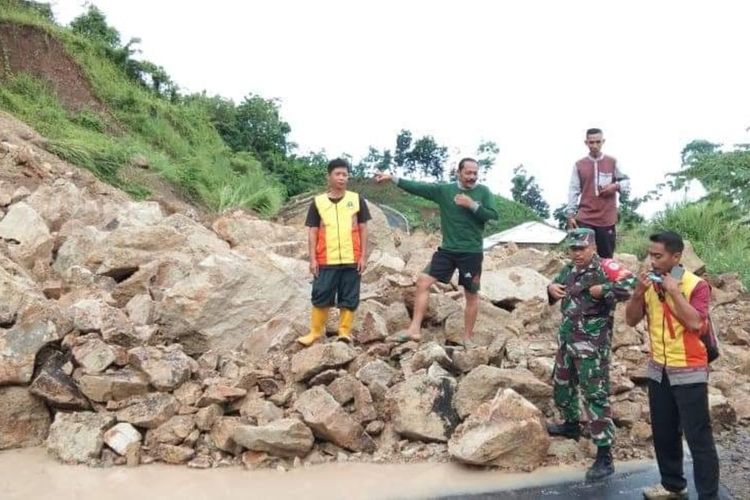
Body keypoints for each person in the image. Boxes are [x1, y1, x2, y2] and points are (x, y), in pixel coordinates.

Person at [625, 231, 719, 500]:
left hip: (689, 370)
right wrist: (637, 294)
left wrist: (675, 292)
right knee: (664, 432)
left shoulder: (695, 285)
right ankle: (672, 486)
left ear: (676, 257)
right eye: (650, 255)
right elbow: (631, 321)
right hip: (658, 369)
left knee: (698, 438)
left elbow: (695, 323)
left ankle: (709, 496)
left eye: (658, 256)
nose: (651, 261)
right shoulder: (649, 284)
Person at [374, 158, 498, 343]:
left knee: (471, 295)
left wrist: (471, 205)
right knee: (423, 282)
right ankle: (414, 329)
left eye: (475, 173)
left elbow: (493, 216)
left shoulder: (483, 192)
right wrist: (392, 178)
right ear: (459, 172)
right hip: (447, 250)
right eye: (468, 173)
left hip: (471, 252)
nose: (472, 177)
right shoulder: (444, 191)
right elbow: (418, 188)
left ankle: (467, 338)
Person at [546, 228, 635, 482]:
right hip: (567, 340)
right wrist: (551, 289)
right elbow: (554, 285)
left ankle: (604, 455)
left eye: (581, 248)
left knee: (595, 395)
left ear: (593, 247)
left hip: (592, 347)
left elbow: (632, 284)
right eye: (573, 248)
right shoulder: (568, 269)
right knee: (562, 385)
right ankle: (571, 424)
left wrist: (604, 290)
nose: (576, 253)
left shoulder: (606, 267)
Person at [297, 158, 371, 346]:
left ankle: (344, 332)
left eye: (345, 174)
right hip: (325, 258)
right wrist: (312, 259)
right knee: (320, 293)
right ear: (329, 176)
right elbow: (313, 231)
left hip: (351, 257)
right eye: (338, 174)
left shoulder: (356, 200)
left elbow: (363, 228)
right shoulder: (318, 202)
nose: (342, 178)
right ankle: (315, 333)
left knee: (349, 296)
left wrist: (363, 256)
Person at [565, 128, 630, 259]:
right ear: (586, 143)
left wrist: (615, 186)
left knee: (606, 257)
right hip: (585, 218)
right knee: (583, 255)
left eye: (598, 142)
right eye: (591, 142)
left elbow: (626, 182)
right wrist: (570, 214)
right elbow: (573, 190)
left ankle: (605, 279)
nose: (594, 145)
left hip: (606, 218)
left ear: (603, 142)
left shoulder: (612, 162)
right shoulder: (579, 165)